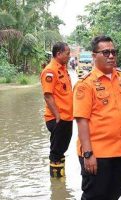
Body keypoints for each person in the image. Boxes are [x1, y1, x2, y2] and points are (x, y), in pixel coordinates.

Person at [73, 35, 121, 200]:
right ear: (94, 56)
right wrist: (88, 154)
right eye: (105, 52)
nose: (111, 56)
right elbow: (82, 121)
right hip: (98, 154)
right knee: (94, 196)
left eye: (113, 52)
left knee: (116, 191)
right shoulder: (85, 84)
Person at [40, 42, 73, 178]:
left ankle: (61, 182)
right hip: (58, 118)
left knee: (61, 150)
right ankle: (56, 185)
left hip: (66, 117)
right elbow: (48, 96)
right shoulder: (50, 71)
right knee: (56, 152)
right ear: (58, 54)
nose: (69, 56)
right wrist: (58, 117)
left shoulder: (63, 69)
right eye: (67, 53)